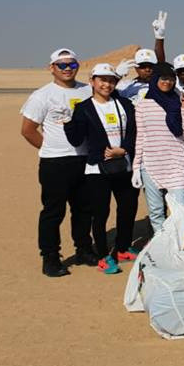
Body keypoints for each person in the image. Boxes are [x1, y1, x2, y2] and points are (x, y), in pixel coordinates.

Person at [20, 48, 95, 276]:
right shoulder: (42, 95)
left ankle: (83, 249)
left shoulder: (86, 91)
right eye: (62, 65)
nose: (67, 69)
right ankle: (51, 256)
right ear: (51, 68)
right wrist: (49, 148)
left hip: (84, 159)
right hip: (55, 163)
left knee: (83, 209)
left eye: (71, 64)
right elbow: (28, 130)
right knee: (54, 211)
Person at [64, 63, 138, 274]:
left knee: (128, 207)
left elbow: (134, 132)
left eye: (111, 80)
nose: (107, 84)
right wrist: (68, 122)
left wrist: (123, 150)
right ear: (92, 82)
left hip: (124, 165)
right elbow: (77, 140)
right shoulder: (84, 108)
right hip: (97, 170)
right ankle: (104, 255)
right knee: (101, 212)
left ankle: (123, 247)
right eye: (102, 80)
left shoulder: (124, 103)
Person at [131, 62, 184, 234]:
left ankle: (181, 246)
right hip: (150, 165)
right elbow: (141, 137)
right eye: (163, 78)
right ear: (155, 79)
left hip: (175, 164)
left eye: (171, 79)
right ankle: (162, 244)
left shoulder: (178, 101)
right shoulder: (143, 105)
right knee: (156, 212)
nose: (167, 82)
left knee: (180, 211)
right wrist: (137, 167)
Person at [115, 11, 169, 103]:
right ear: (136, 68)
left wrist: (159, 38)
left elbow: (161, 64)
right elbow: (105, 94)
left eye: (151, 66)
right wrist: (116, 76)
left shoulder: (162, 85)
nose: (147, 70)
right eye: (143, 66)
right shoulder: (126, 86)